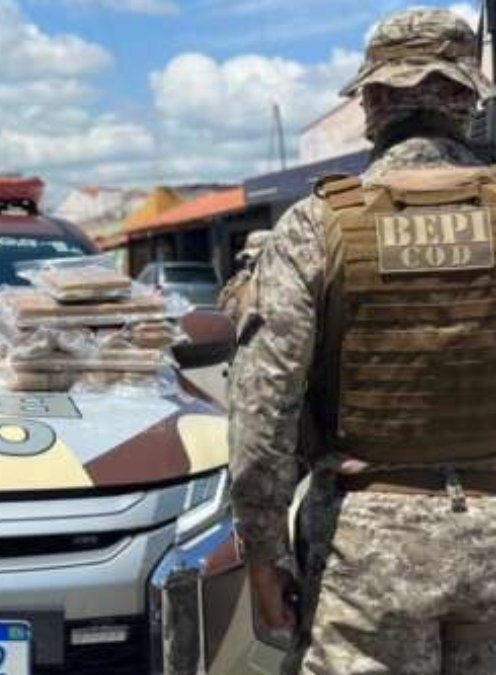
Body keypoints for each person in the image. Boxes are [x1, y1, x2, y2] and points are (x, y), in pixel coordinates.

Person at [229, 7, 496, 674]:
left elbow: (264, 408)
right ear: (466, 97)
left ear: (371, 100)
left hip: (367, 548)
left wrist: (263, 556)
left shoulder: (318, 224)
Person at [217, 229, 272, 328]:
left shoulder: (284, 282)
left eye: (257, 257)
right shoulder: (237, 283)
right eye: (246, 257)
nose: (249, 262)